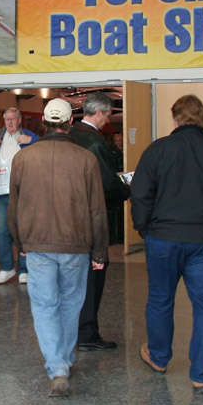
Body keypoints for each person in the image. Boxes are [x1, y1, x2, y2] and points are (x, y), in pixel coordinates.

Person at [130, 94, 203, 394]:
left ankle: (158, 357)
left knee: (160, 300)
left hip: (163, 238)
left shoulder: (158, 150)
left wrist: (144, 229)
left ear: (176, 119)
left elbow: (141, 194)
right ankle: (201, 375)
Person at [7, 98, 108, 398]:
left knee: (44, 305)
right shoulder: (85, 158)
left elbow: (13, 207)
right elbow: (97, 211)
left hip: (36, 243)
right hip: (75, 244)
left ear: (44, 122)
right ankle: (63, 359)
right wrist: (100, 250)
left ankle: (58, 367)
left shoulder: (23, 159)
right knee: (70, 303)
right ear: (68, 122)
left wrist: (19, 243)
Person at [69, 91, 129, 351]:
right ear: (99, 113)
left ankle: (74, 330)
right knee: (95, 274)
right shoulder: (94, 142)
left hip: (67, 219)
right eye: (107, 115)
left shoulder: (68, 136)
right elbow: (106, 185)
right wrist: (126, 188)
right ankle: (87, 332)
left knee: (73, 278)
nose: (108, 121)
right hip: (91, 218)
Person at [0, 107, 39, 284]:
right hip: (1, 193)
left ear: (19, 120)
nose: (9, 122)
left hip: (23, 193)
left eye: (13, 119)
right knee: (1, 229)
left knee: (23, 230)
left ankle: (24, 269)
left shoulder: (30, 136)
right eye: (6, 119)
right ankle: (6, 268)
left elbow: (43, 153)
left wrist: (31, 141)